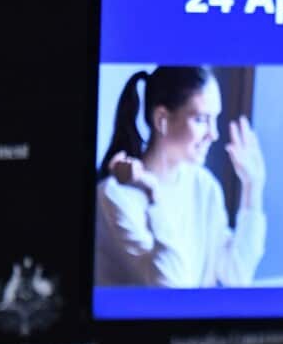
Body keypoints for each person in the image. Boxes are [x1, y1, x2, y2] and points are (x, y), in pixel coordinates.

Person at [94, 66, 267, 287]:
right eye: (201, 119)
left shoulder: (204, 185)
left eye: (215, 119)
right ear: (161, 120)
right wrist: (152, 194)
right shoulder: (115, 196)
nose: (213, 134)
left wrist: (254, 185)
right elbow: (169, 286)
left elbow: (236, 275)